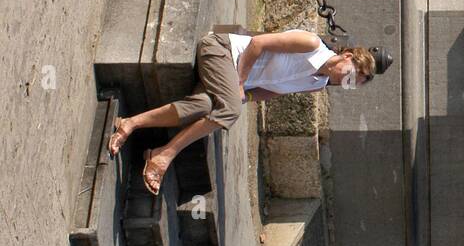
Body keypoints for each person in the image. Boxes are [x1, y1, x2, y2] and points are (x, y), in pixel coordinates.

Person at [107, 29, 392, 195]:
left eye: (352, 83)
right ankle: (163, 155)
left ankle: (130, 123)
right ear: (347, 57)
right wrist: (240, 83)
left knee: (206, 107)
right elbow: (258, 44)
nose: (346, 81)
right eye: (351, 74)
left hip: (231, 80)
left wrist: (247, 96)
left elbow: (276, 89)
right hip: (222, 51)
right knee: (229, 111)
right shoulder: (311, 44)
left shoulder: (316, 83)